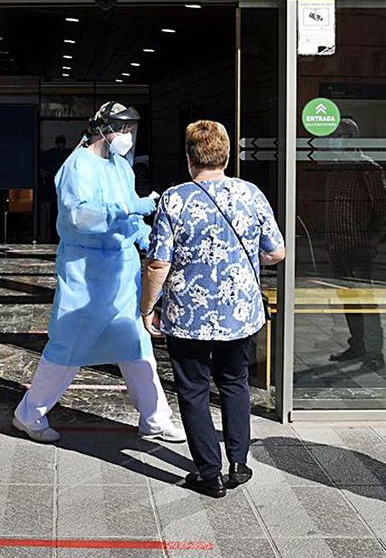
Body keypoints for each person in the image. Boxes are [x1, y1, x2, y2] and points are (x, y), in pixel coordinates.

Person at [13, 101, 185, 444]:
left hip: (120, 272)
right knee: (67, 346)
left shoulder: (120, 166)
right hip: (86, 274)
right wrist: (129, 207)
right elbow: (79, 217)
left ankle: (155, 418)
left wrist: (144, 234)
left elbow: (128, 216)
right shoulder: (78, 166)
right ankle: (28, 415)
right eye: (122, 128)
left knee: (136, 344)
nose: (127, 136)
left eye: (131, 129)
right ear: (103, 129)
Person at [140, 120, 285, 498]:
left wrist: (146, 307)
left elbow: (158, 263)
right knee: (235, 382)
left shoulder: (174, 198)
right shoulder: (251, 194)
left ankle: (209, 472)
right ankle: (238, 463)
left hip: (188, 314)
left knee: (193, 390)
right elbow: (276, 251)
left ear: (189, 158)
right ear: (227, 154)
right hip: (239, 313)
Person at [323, 117, 386, 368]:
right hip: (338, 247)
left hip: (358, 249)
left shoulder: (368, 168)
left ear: (350, 138)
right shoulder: (337, 167)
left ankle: (374, 352)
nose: (331, 141)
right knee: (349, 301)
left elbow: (384, 209)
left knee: (365, 301)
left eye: (336, 136)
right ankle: (358, 346)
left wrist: (369, 240)